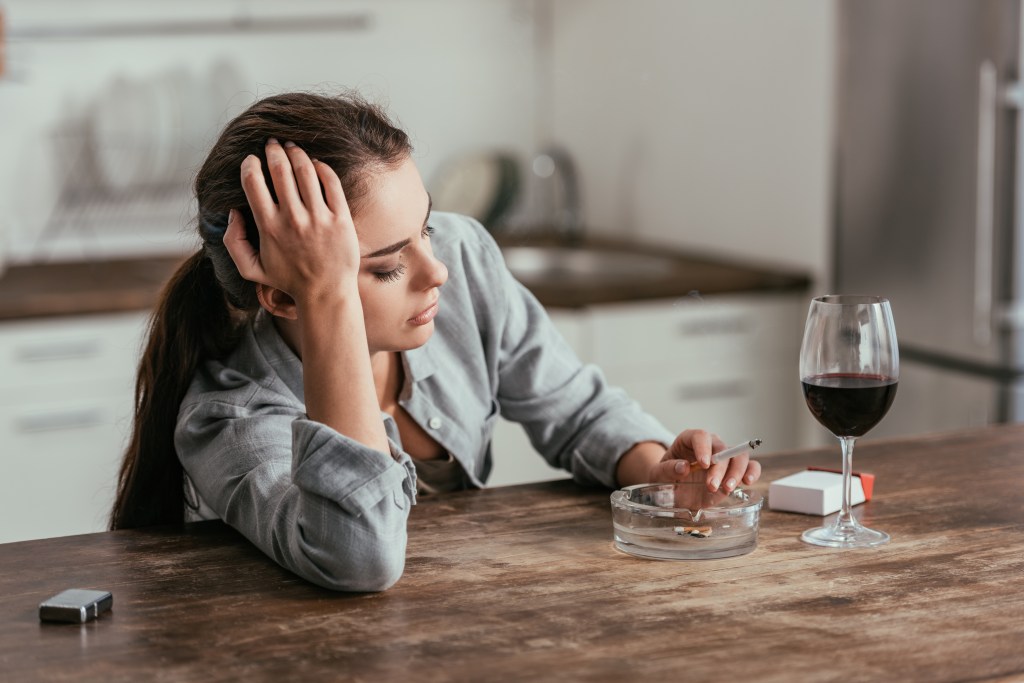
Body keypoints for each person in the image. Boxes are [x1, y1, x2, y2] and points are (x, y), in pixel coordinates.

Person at [110, 92, 761, 592]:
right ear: (282, 296)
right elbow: (359, 556)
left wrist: (656, 469)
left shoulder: (461, 258)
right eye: (388, 265)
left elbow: (577, 409)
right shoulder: (231, 416)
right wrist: (326, 297)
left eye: (424, 228)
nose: (436, 270)